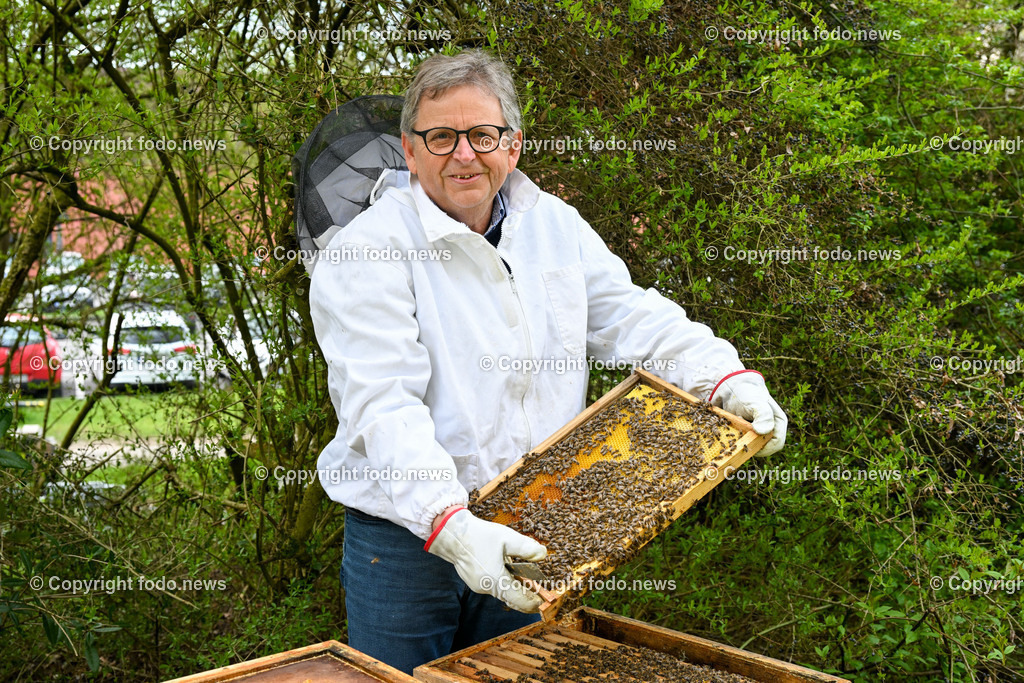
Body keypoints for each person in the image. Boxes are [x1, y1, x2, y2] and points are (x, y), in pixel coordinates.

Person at [309, 48, 788, 675]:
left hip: (533, 523)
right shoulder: (367, 252)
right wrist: (449, 525)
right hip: (404, 543)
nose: (464, 154)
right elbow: (382, 406)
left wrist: (724, 377)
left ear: (513, 145)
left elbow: (631, 316)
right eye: (442, 136)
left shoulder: (554, 226)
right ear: (409, 149)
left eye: (482, 135)